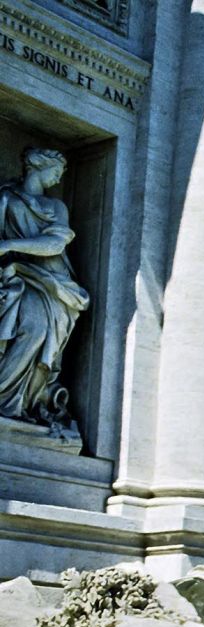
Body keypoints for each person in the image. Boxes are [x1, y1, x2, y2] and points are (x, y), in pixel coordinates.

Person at [0, 146, 90, 431]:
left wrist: (10, 245)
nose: (58, 177)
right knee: (33, 328)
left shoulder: (55, 207)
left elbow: (55, 244)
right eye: (56, 171)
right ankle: (6, 401)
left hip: (54, 284)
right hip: (17, 277)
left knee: (40, 332)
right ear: (39, 167)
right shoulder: (5, 198)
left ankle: (19, 403)